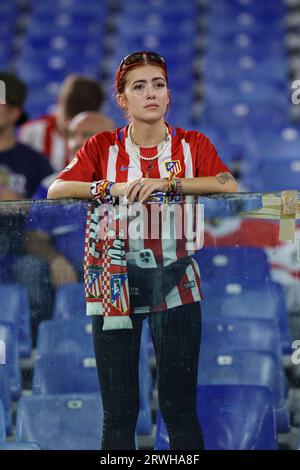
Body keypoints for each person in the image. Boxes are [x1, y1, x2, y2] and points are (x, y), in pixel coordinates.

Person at [48, 51, 237, 451]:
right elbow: (56, 189)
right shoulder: (101, 146)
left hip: (176, 280)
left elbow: (226, 183)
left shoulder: (192, 144)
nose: (151, 93)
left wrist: (170, 185)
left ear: (168, 96)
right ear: (122, 100)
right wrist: (109, 188)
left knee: (179, 407)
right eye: (139, 86)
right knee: (119, 410)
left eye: (158, 84)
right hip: (112, 282)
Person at [18, 111, 115, 340]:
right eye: (72, 135)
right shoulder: (50, 185)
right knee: (28, 267)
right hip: (66, 272)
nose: (76, 142)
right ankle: (41, 342)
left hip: (116, 267)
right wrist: (55, 259)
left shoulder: (131, 183)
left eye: (87, 135)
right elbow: (31, 237)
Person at [0, 71, 53, 282]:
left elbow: (51, 209)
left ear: (14, 113)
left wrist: (23, 204)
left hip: (20, 244)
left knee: (32, 268)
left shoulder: (35, 161)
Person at [19, 74, 114, 172]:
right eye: (69, 117)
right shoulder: (33, 132)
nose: (72, 125)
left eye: (85, 132)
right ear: (59, 102)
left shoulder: (106, 135)